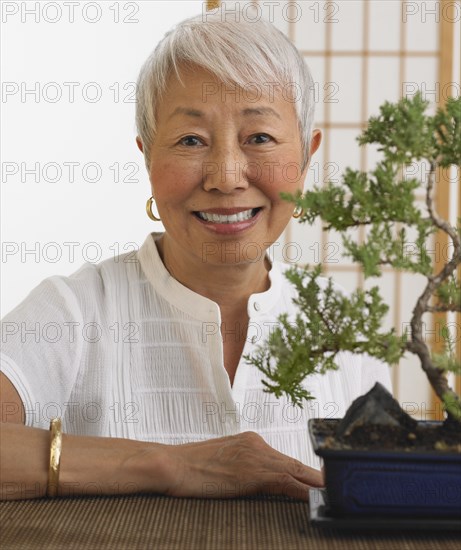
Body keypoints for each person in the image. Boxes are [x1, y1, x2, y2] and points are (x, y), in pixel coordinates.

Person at [0, 9, 391, 501]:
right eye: (190, 140)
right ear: (147, 157)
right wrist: (168, 463)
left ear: (307, 157)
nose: (226, 176)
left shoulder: (346, 327)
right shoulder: (76, 309)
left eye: (260, 138)